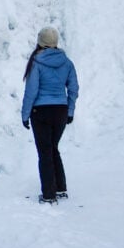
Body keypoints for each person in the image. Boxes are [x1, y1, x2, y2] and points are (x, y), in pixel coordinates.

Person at [21, 26, 79, 204]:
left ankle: (48, 194)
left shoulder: (37, 62)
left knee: (45, 152)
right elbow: (74, 89)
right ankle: (60, 188)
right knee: (53, 148)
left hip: (41, 112)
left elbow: (31, 91)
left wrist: (25, 115)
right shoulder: (67, 62)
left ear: (40, 42)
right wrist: (69, 111)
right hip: (60, 111)